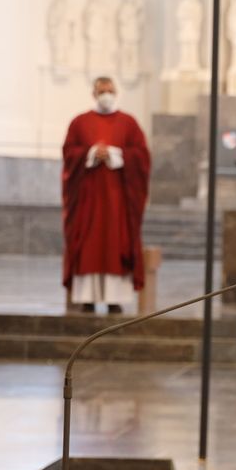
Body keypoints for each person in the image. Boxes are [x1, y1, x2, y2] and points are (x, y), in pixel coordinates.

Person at [62, 77, 151, 314]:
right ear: (94, 93)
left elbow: (142, 156)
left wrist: (114, 154)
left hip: (117, 200)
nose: (106, 95)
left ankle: (115, 299)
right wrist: (91, 153)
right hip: (88, 199)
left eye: (110, 90)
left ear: (116, 92)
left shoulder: (129, 123)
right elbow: (69, 153)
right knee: (88, 246)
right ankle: (87, 299)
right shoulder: (80, 123)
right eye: (102, 91)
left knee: (115, 244)